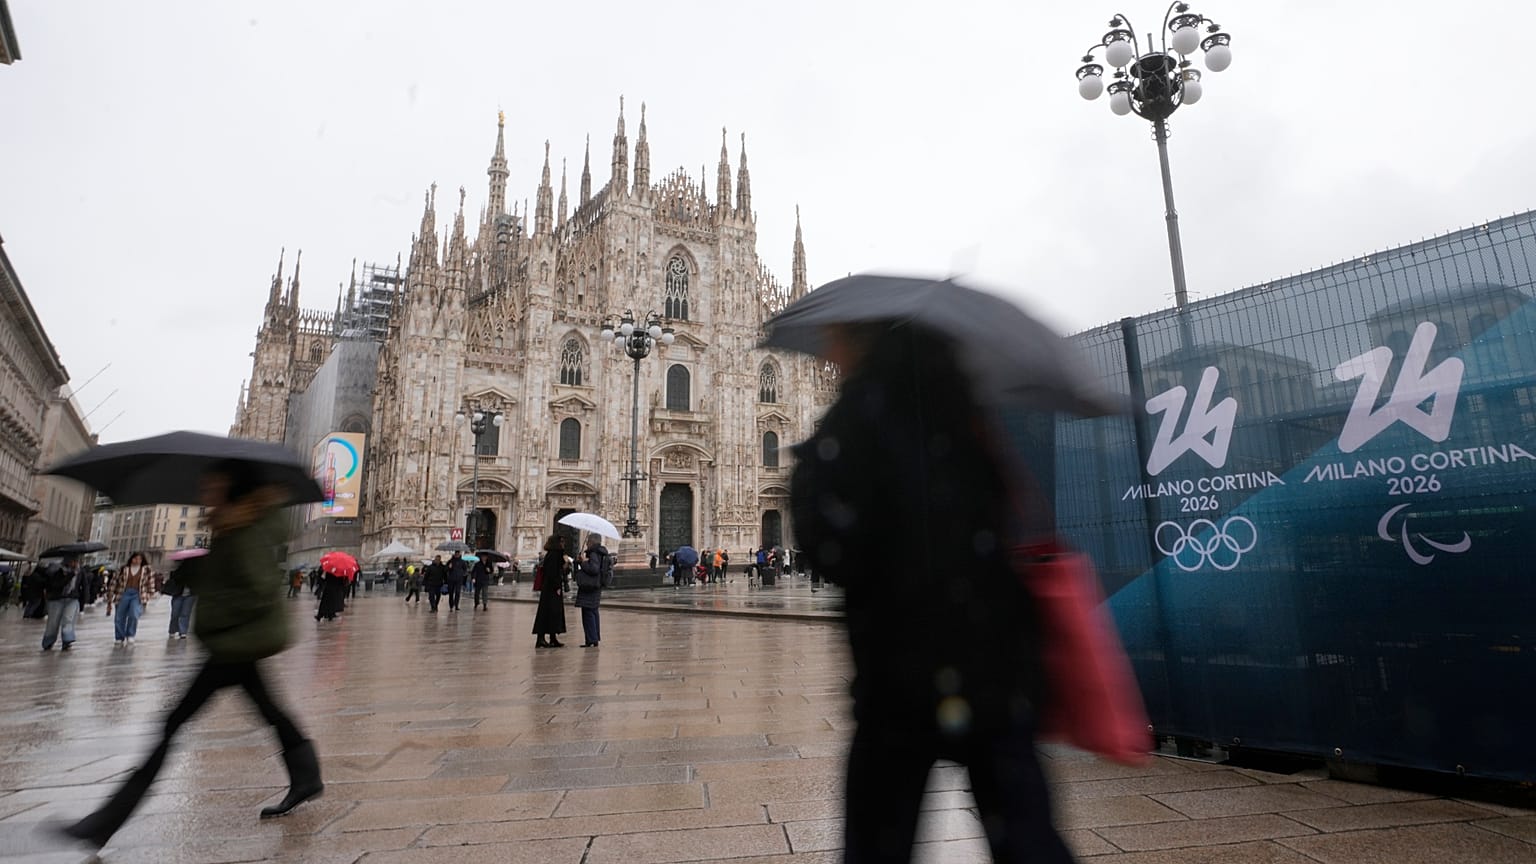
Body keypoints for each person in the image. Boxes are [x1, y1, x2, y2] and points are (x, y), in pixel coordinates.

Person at [789, 322, 1072, 864]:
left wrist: (814, 471)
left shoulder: (854, 422)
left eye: (839, 342)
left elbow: (831, 547)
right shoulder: (966, 414)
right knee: (1026, 833)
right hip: (994, 663)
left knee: (878, 838)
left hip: (902, 668)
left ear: (860, 344)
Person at [58, 460, 323, 851]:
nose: (205, 492)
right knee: (268, 710)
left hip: (233, 642)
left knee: (172, 724)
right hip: (234, 644)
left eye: (213, 486)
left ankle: (106, 821)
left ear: (234, 489)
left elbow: (260, 587)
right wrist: (202, 571)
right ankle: (306, 776)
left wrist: (214, 592)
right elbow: (238, 578)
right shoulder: (235, 527)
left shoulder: (244, 531)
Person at [106, 552, 156, 646]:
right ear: (131, 559)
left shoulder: (146, 570)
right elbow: (113, 582)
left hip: (137, 594)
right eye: (135, 558)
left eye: (139, 559)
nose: (137, 561)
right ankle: (119, 637)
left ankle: (130, 634)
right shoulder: (123, 569)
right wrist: (110, 596)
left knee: (134, 614)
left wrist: (148, 595)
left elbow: (151, 584)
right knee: (119, 616)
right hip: (123, 593)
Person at [40, 554, 85, 650]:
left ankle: (67, 640)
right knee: (53, 623)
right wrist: (70, 575)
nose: (75, 563)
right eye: (73, 561)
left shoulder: (80, 571)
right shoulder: (57, 570)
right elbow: (57, 585)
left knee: (68, 620)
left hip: (72, 599)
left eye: (76, 561)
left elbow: (84, 586)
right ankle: (48, 641)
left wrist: (82, 604)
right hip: (56, 599)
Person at [574, 535, 611, 648]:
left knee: (588, 613)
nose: (586, 544)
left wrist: (582, 562)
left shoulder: (594, 553)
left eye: (588, 542)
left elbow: (594, 569)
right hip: (596, 585)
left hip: (590, 586)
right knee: (593, 612)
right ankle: (594, 638)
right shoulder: (601, 553)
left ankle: (591, 639)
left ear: (592, 542)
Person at [531, 534, 567, 648]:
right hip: (551, 589)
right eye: (561, 541)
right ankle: (541, 638)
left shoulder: (554, 554)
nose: (563, 544)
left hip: (549, 588)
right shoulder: (554, 555)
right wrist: (557, 587)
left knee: (553, 613)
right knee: (549, 613)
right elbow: (552, 573)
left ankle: (552, 637)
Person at [165, 564, 195, 639]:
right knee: (175, 613)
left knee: (185, 613)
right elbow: (173, 579)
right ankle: (172, 630)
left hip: (190, 595)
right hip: (177, 594)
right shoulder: (176, 569)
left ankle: (183, 632)